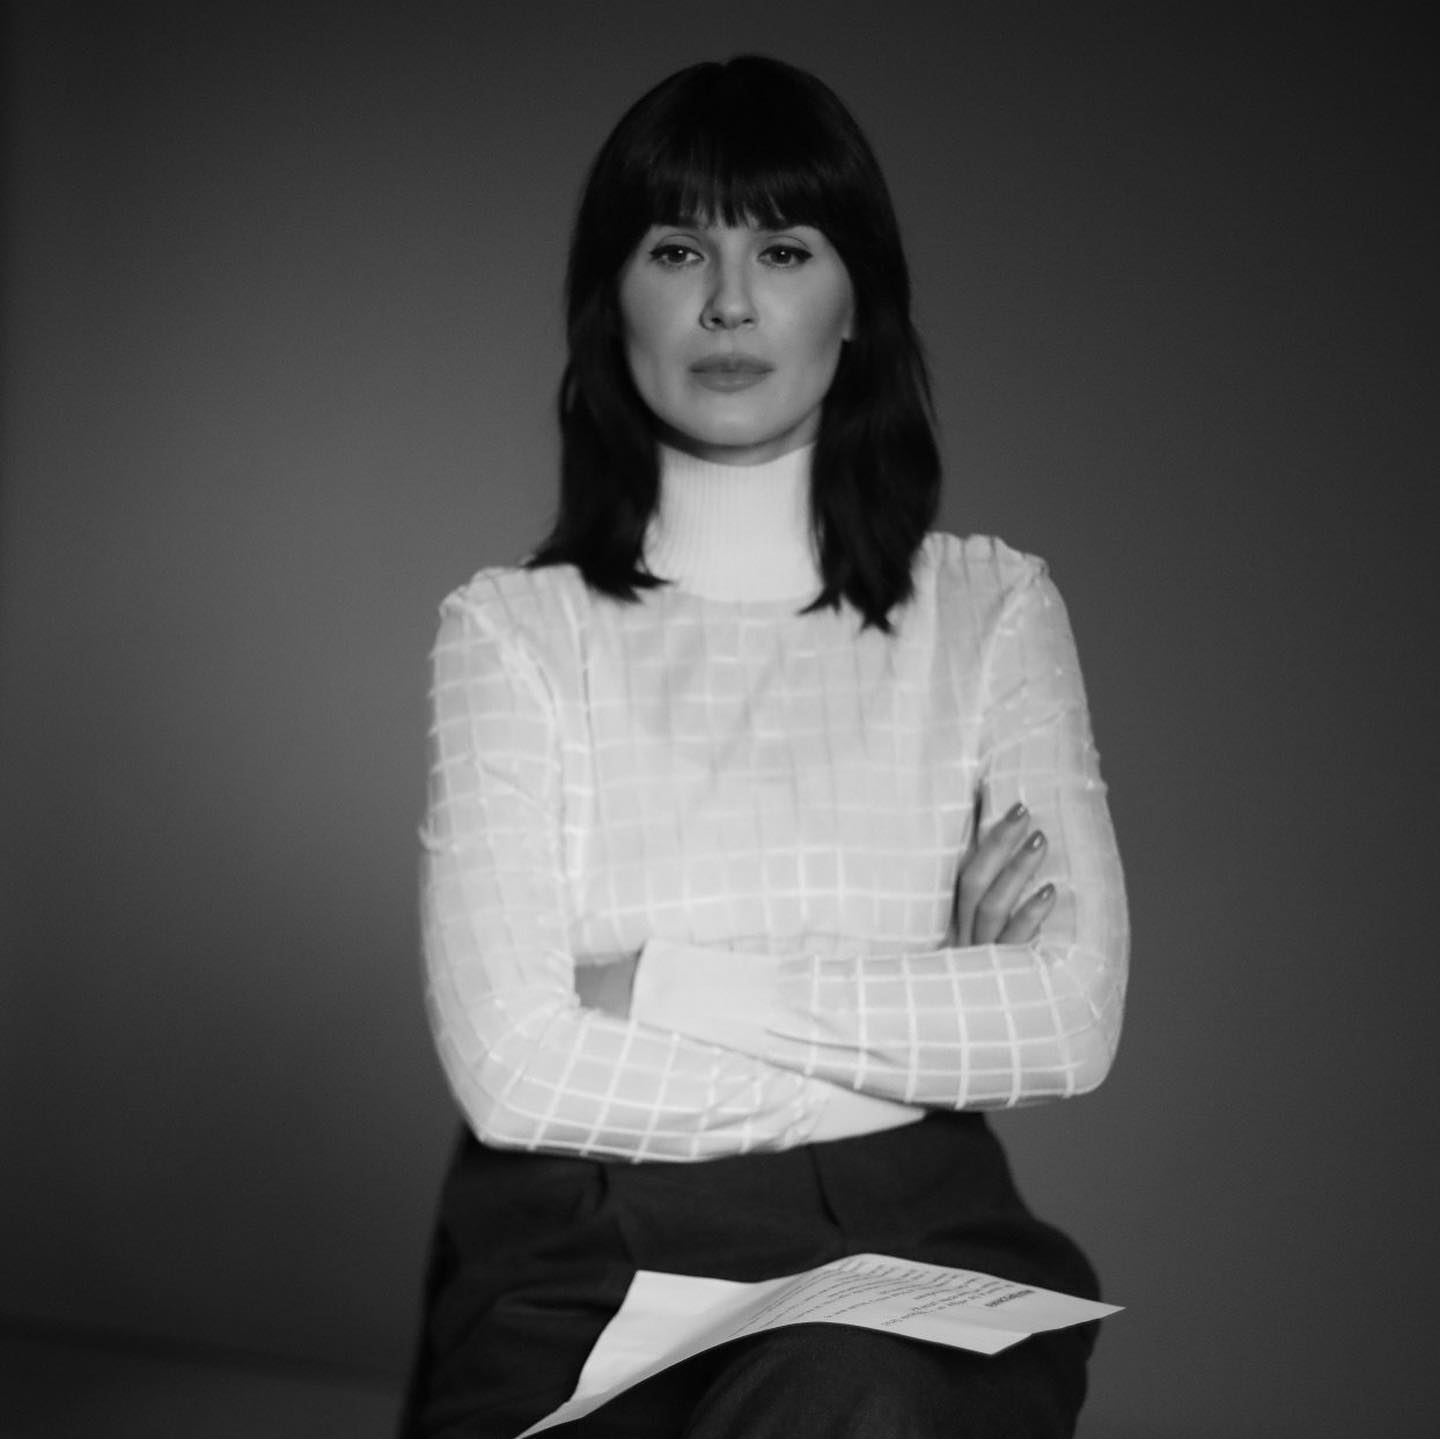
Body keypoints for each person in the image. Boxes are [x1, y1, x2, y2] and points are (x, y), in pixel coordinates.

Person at [401, 54, 1128, 1439]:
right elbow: (514, 1066)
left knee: (851, 1390)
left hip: (917, 1236)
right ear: (611, 296)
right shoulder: (513, 632)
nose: (729, 301)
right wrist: (926, 1004)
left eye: (783, 249)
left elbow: (1068, 1018)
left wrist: (653, 983)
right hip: (584, 1248)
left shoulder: (991, 609)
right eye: (678, 249)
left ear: (857, 305)